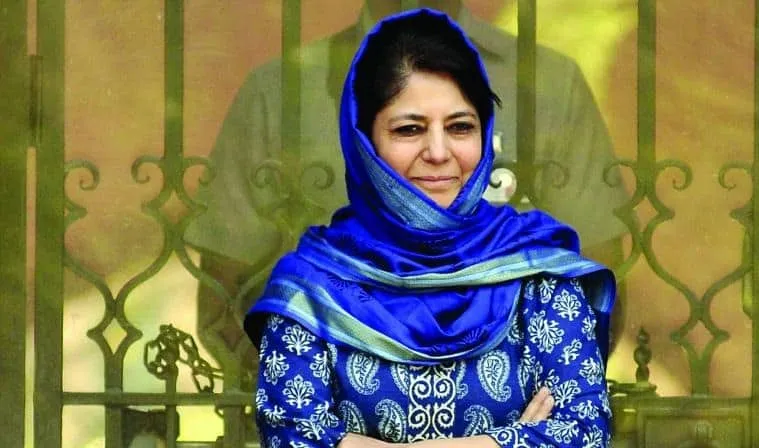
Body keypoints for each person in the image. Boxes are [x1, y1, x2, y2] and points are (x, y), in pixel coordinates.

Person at [243, 9, 616, 447]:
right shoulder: (312, 286)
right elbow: (292, 434)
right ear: (365, 143)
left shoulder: (538, 273)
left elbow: (583, 431)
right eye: (409, 129)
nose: (438, 152)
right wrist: (510, 441)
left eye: (460, 127)